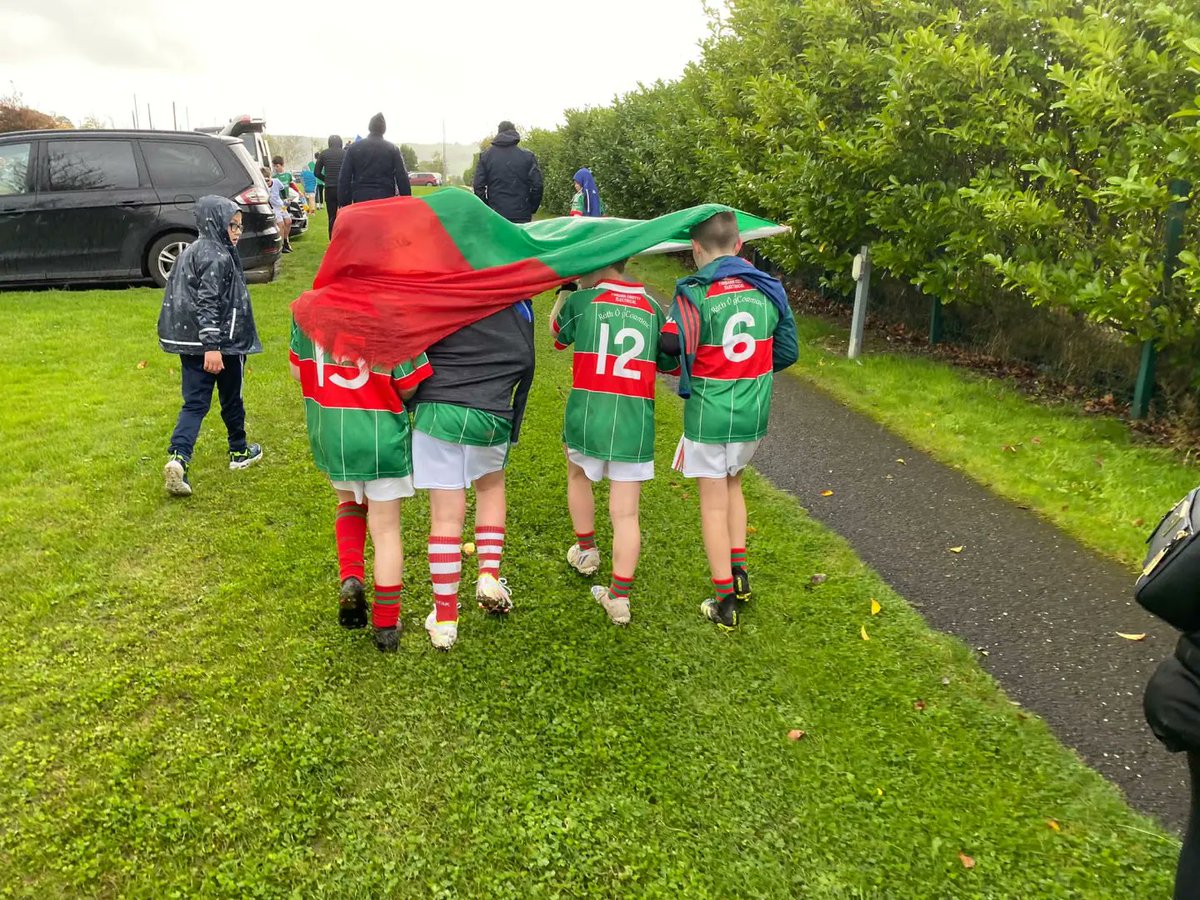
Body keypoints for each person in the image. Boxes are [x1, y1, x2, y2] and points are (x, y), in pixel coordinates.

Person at [659, 211, 798, 629]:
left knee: (712, 502)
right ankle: (739, 574)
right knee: (734, 482)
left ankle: (723, 602)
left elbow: (669, 346)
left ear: (696, 249)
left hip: (710, 415)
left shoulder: (694, 292)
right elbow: (788, 350)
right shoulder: (770, 288)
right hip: (753, 413)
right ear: (739, 245)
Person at [289, 320, 433, 652]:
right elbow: (410, 384)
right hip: (380, 435)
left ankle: (351, 576)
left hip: (334, 433)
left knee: (348, 503)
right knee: (385, 529)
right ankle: (385, 625)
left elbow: (298, 372)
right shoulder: (391, 312)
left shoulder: (307, 309)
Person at [547, 260, 678, 624]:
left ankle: (587, 550)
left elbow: (556, 334)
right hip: (634, 423)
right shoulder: (653, 307)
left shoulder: (583, 301)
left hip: (588, 415)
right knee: (626, 512)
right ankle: (619, 598)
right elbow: (669, 363)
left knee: (577, 475)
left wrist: (565, 291)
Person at [408, 303, 536, 651]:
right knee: (491, 487)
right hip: (492, 411)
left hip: (438, 411)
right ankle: (489, 575)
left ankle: (446, 619)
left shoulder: (442, 286)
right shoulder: (519, 299)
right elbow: (527, 359)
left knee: (446, 516)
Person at [158, 196, 264, 496]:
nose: (237, 231)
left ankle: (179, 459)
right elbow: (208, 302)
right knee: (232, 399)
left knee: (194, 404)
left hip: (191, 345)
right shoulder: (217, 256)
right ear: (214, 221)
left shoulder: (188, 252)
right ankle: (239, 451)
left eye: (240, 226)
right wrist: (213, 346)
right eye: (232, 225)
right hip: (221, 345)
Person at [472, 120, 543, 223]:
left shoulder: (486, 157)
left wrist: (487, 208)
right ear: (514, 133)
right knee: (519, 239)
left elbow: (478, 186)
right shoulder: (527, 156)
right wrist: (531, 207)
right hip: (521, 213)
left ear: (498, 133)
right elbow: (538, 185)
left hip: (496, 213)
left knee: (498, 239)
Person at [338, 113, 410, 206]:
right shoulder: (393, 149)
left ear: (369, 127)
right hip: (385, 198)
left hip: (361, 199)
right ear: (384, 129)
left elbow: (344, 178)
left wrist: (344, 204)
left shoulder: (354, 148)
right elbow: (402, 177)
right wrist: (407, 200)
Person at [314, 135, 346, 238]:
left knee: (332, 217)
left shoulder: (323, 154)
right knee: (345, 216)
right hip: (343, 188)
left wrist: (326, 179)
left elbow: (316, 172)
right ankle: (344, 240)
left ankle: (332, 241)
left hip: (329, 188)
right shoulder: (345, 154)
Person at [269, 157, 293, 253]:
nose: (275, 168)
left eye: (277, 166)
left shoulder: (287, 175)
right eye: (274, 166)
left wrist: (297, 193)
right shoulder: (274, 178)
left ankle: (286, 240)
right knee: (281, 224)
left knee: (288, 222)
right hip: (277, 205)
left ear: (282, 165)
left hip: (284, 203)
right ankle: (282, 245)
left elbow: (287, 187)